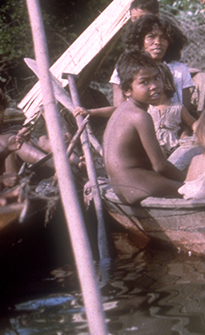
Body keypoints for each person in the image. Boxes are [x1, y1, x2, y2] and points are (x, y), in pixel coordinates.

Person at [103, 51, 185, 204]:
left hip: (121, 186)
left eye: (157, 78)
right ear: (127, 90)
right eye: (144, 82)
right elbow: (160, 166)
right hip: (136, 186)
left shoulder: (122, 110)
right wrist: (189, 181)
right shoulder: (140, 116)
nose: (154, 86)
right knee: (194, 190)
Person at [78, 13, 195, 118]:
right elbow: (120, 110)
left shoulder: (179, 69)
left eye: (164, 38)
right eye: (151, 37)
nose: (158, 42)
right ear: (140, 40)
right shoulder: (126, 68)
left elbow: (186, 109)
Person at [150, 63, 197, 156]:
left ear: (166, 83)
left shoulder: (177, 107)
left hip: (173, 149)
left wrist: (198, 130)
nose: (153, 86)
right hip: (152, 150)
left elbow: (192, 122)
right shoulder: (146, 107)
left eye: (156, 81)